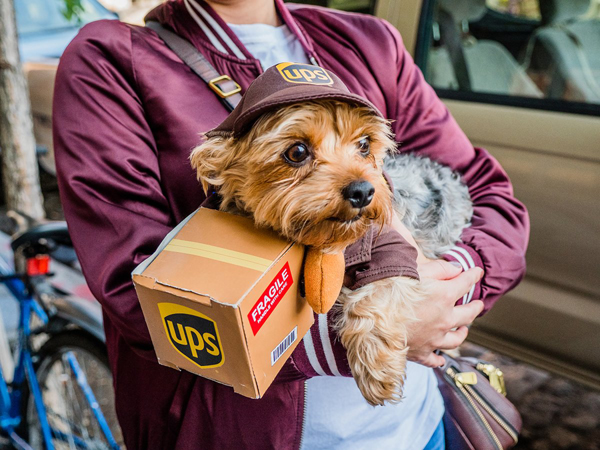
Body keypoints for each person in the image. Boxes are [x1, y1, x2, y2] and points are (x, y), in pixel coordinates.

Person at [52, 0, 529, 448]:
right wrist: (354, 337)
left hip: (414, 428)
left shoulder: (368, 42)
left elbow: (491, 197)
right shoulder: (114, 60)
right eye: (299, 153)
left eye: (363, 147)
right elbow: (134, 289)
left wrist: (446, 290)